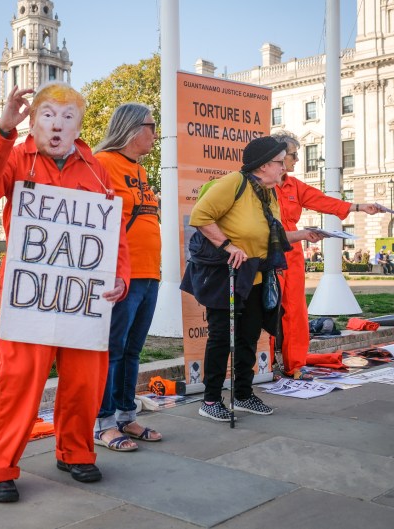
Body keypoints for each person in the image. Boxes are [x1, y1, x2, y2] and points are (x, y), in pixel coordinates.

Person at [0, 82, 130, 503]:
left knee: (84, 382)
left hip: (84, 302)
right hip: (28, 299)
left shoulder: (96, 168)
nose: (57, 125)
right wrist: (3, 127)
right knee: (18, 383)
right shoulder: (15, 155)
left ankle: (75, 451)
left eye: (67, 117)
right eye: (48, 115)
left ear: (78, 127)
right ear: (33, 121)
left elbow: (114, 235)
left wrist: (121, 277)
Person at [181, 136, 325, 422]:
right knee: (222, 337)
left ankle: (243, 394)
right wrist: (228, 245)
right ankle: (210, 400)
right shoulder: (234, 183)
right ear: (262, 166)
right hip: (228, 273)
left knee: (249, 336)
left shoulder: (268, 192)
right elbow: (200, 216)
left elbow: (269, 234)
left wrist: (303, 235)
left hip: (257, 274)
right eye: (279, 162)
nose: (285, 166)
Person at [269, 131, 378, 380]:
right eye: (294, 155)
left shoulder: (294, 185)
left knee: (296, 311)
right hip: (268, 250)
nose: (297, 160)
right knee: (267, 309)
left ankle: (294, 365)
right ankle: (265, 366)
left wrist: (359, 207)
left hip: (293, 252)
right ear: (279, 156)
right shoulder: (262, 184)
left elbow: (321, 201)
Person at [92, 103, 161, 452]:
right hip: (123, 276)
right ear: (133, 129)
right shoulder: (102, 164)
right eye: (152, 125)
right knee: (112, 350)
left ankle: (125, 414)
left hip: (150, 274)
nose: (155, 132)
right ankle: (102, 422)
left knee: (132, 350)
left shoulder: (141, 171)